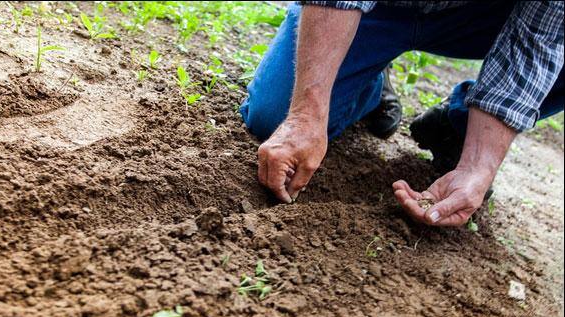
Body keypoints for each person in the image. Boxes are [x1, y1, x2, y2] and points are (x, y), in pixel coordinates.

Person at [240, 1, 564, 227]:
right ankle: (371, 82)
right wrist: (305, 115)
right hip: (378, 10)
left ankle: (459, 128)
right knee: (274, 116)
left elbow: (539, 40)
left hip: (483, 16)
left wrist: (478, 166)